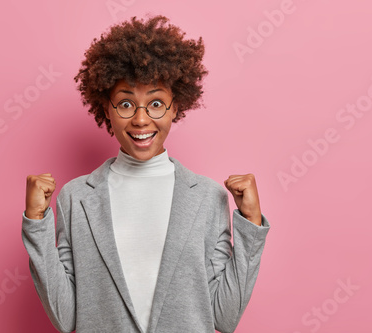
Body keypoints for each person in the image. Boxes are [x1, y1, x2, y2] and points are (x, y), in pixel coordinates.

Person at [22, 15, 270, 333]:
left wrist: (250, 224)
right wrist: (36, 222)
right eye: (126, 103)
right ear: (106, 108)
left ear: (175, 107)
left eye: (155, 103)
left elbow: (224, 316)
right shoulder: (77, 198)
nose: (141, 120)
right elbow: (66, 316)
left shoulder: (208, 197)